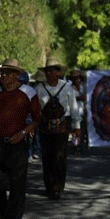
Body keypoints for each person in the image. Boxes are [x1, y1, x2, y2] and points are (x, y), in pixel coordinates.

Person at [0, 59, 40, 219]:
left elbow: (37, 118)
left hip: (18, 144)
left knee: (18, 183)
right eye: (3, 73)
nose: (4, 76)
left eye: (8, 73)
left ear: (17, 75)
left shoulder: (28, 92)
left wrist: (23, 132)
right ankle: (2, 212)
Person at [35, 58, 81, 200]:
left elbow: (73, 107)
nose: (50, 73)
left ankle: (58, 186)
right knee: (47, 157)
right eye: (48, 71)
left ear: (58, 73)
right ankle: (49, 186)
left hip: (62, 126)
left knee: (60, 156)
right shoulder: (39, 88)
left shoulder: (67, 87)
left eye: (53, 70)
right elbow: (35, 109)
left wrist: (77, 126)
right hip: (45, 126)